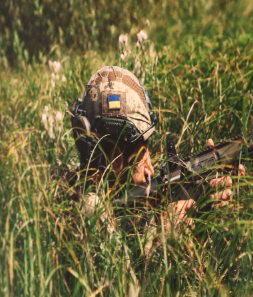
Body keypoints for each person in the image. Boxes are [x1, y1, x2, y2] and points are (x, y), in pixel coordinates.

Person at [68, 66, 236, 228]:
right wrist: (161, 234)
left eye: (147, 148)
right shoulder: (87, 205)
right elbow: (116, 248)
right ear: (114, 156)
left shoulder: (134, 207)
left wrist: (207, 215)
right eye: (140, 152)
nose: (150, 170)